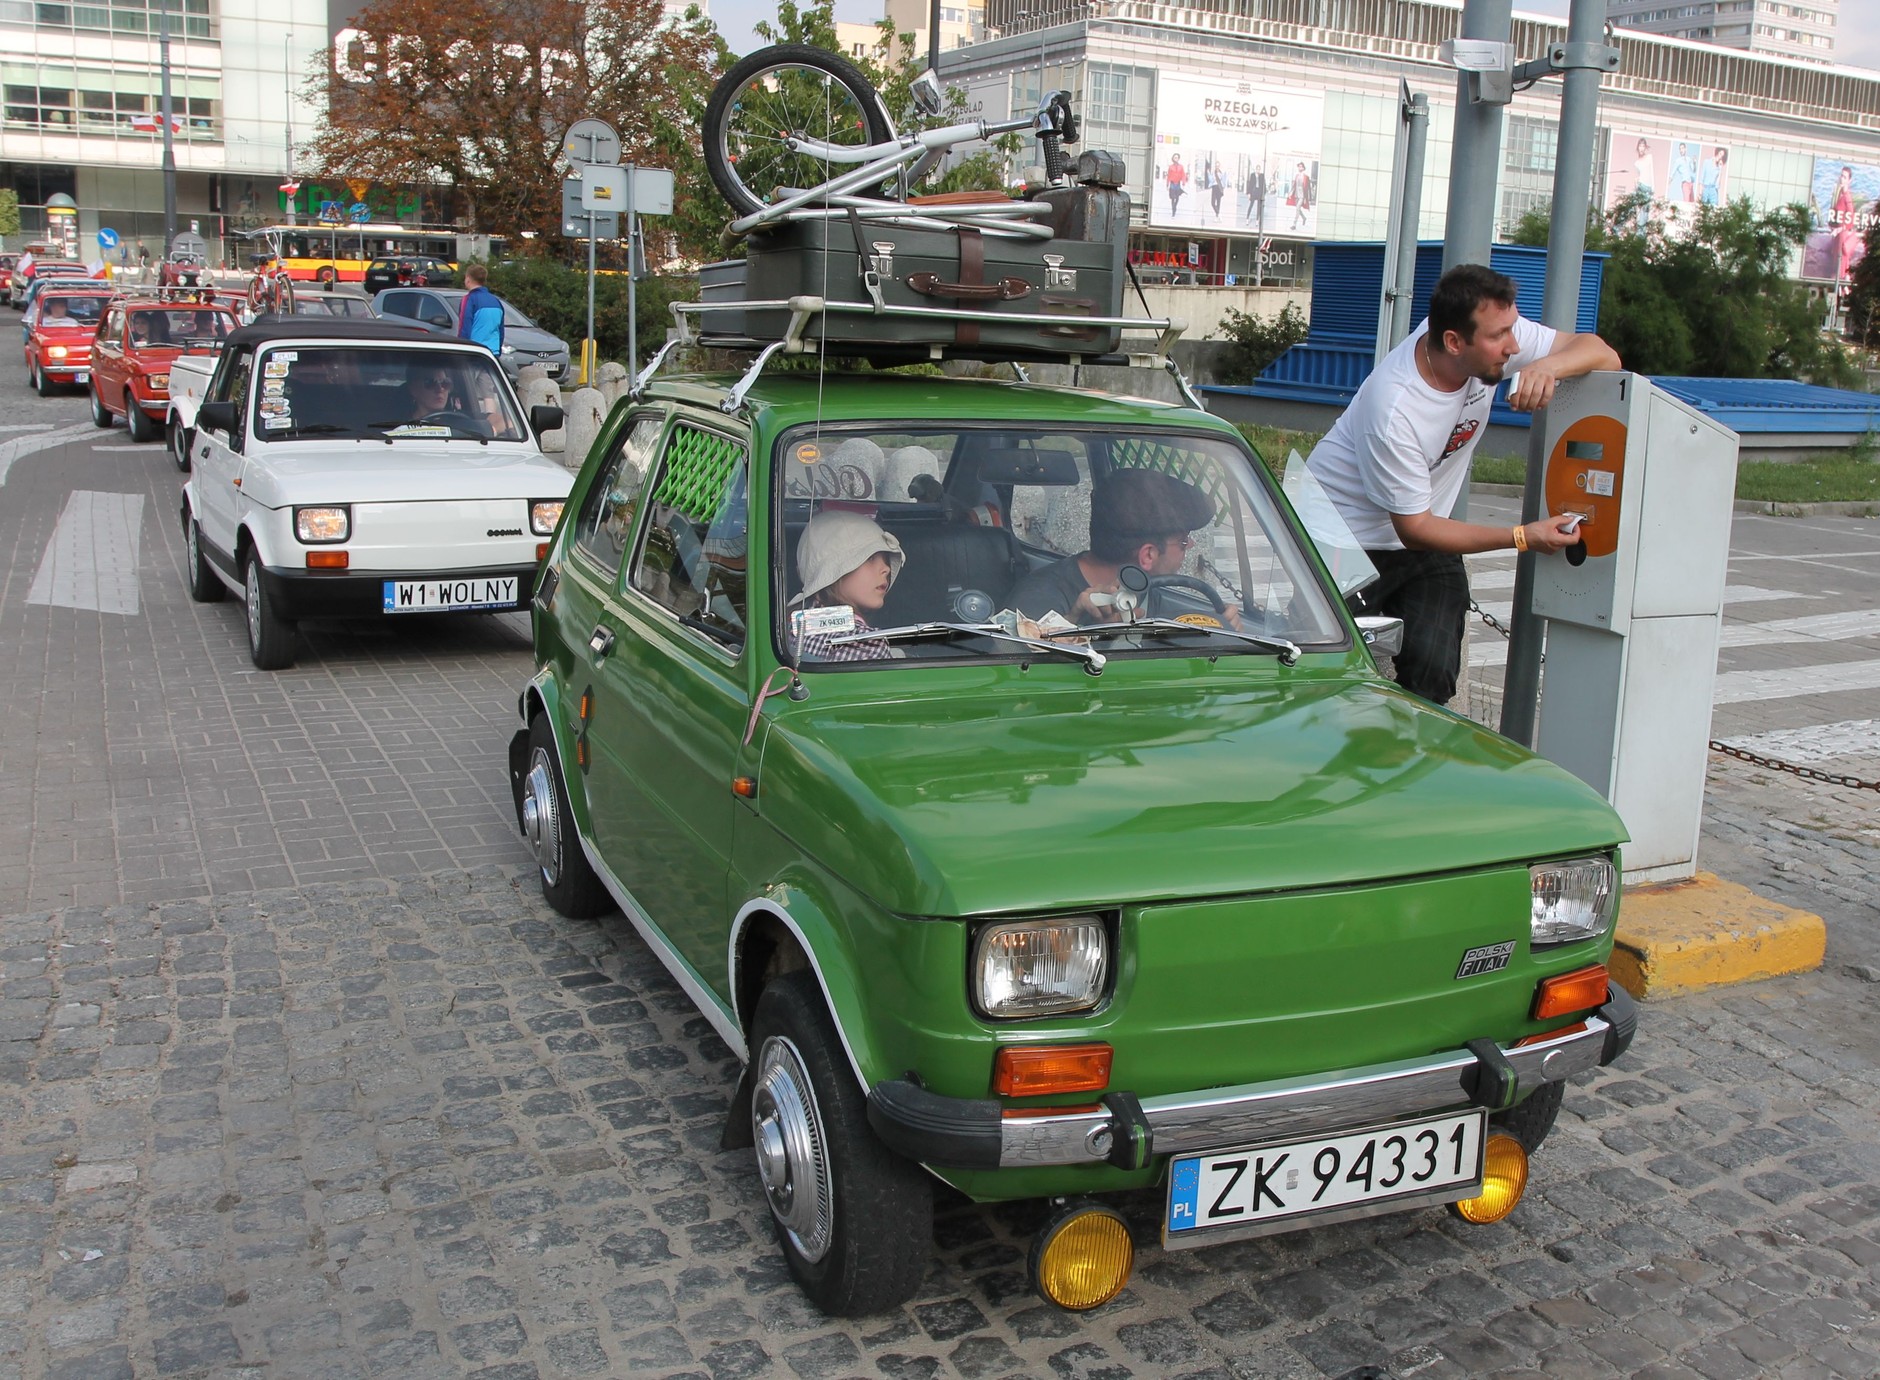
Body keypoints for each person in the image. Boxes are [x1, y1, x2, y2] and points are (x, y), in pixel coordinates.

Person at [1304, 263, 1621, 707]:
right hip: (1337, 541)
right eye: (1499, 337)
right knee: (1323, 682)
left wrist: (1549, 366)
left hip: (1421, 538)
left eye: (1513, 329)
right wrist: (1523, 536)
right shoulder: (1395, 408)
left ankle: (1410, 764)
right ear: (1454, 342)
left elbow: (1603, 353)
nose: (1513, 346)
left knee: (1434, 672)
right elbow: (1414, 526)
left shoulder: (1485, 333)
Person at [1009, 468, 1228, 627]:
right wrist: (1070, 622)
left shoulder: (1149, 593)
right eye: (1183, 540)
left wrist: (1223, 627)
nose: (1191, 544)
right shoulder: (1036, 600)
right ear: (1148, 555)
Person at [789, 512, 905, 661]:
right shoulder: (867, 646)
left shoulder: (790, 626)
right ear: (835, 572)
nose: (886, 569)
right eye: (870, 558)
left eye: (885, 559)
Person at [459, 263, 504, 355]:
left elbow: (464, 327)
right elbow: (501, 331)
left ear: (468, 278)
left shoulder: (469, 299)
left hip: (475, 351)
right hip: (492, 353)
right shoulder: (496, 301)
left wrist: (461, 350)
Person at [1246, 164, 1267, 230]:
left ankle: (1257, 220)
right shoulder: (1252, 175)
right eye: (1257, 169)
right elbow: (1250, 184)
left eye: (1259, 169)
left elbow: (1264, 185)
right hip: (1253, 192)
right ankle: (1247, 218)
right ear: (1255, 169)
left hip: (1259, 192)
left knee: (1259, 207)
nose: (1258, 170)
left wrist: (1264, 194)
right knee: (1251, 205)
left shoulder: (1262, 176)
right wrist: (1248, 193)